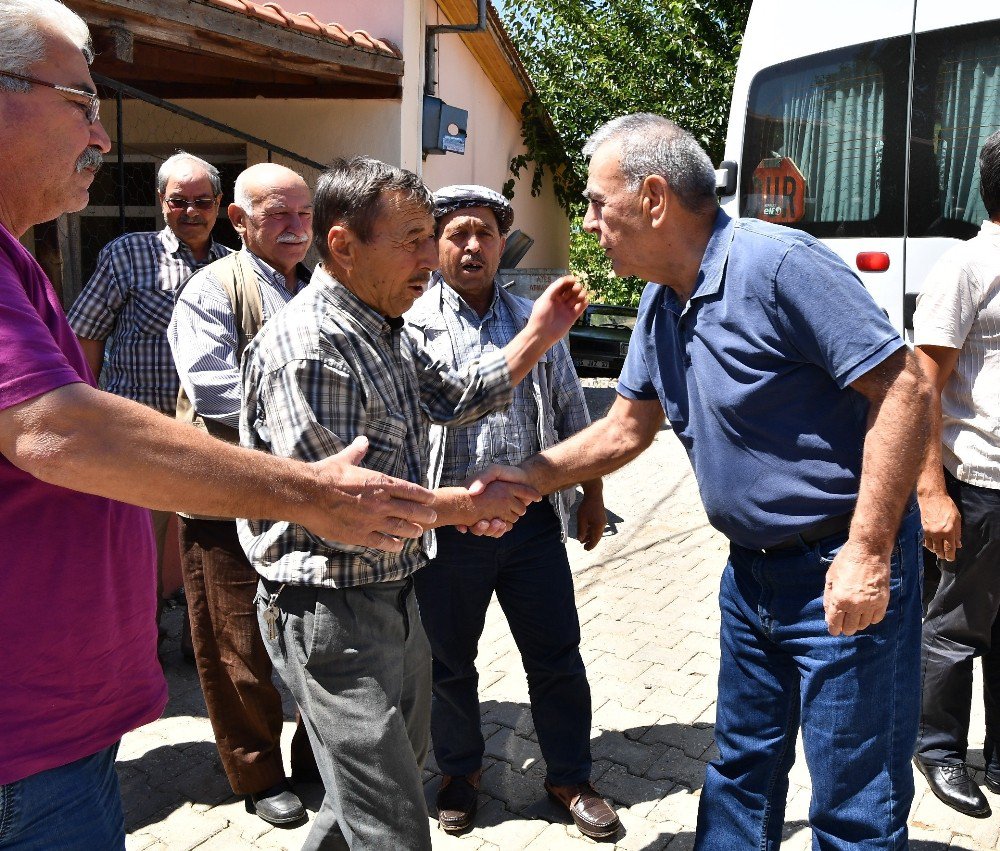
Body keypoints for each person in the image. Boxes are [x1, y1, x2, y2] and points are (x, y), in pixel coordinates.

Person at [0, 5, 436, 848]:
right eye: (81, 103)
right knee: (233, 648)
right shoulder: (175, 278)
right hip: (26, 738)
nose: (98, 132)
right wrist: (307, 488)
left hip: (51, 720)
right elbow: (57, 426)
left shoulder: (19, 256)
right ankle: (256, 772)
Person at [472, 113, 932, 848]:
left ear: (653, 198)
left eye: (596, 202)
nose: (587, 222)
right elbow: (626, 429)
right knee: (740, 770)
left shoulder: (780, 267)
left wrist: (871, 551)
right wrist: (523, 476)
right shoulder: (662, 297)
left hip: (838, 568)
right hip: (750, 580)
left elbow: (906, 388)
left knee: (853, 798)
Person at [238, 156, 589, 850]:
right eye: (414, 239)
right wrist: (465, 507)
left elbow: (455, 395)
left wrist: (538, 335)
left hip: (395, 590)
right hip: (333, 613)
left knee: (356, 800)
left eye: (432, 237)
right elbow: (350, 510)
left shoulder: (381, 321)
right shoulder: (311, 346)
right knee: (394, 823)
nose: (431, 257)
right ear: (343, 244)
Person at [405, 184, 619, 839]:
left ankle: (569, 775)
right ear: (435, 243)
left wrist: (592, 495)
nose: (473, 246)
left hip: (532, 530)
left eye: (486, 234)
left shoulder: (536, 316)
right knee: (449, 664)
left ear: (503, 243)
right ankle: (461, 773)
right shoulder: (411, 323)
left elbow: (571, 413)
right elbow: (409, 432)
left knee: (556, 654)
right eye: (458, 233)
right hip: (449, 534)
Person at [168, 162, 316, 825]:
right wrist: (314, 414)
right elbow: (211, 388)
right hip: (223, 495)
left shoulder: (318, 286)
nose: (294, 228)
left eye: (304, 214)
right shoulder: (212, 289)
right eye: (276, 215)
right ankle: (257, 773)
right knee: (234, 641)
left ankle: (319, 758)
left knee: (317, 634)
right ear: (238, 220)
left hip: (301, 495)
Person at [68, 151, 231, 638]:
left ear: (219, 205)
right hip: (138, 429)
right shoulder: (129, 255)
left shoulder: (232, 267)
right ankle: (140, 639)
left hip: (205, 434)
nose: (191, 211)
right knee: (138, 543)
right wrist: (85, 410)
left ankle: (194, 640)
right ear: (161, 202)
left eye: (202, 201)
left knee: (199, 541)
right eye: (179, 201)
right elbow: (86, 332)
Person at [911, 129, 1000, 818]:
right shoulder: (965, 268)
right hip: (977, 483)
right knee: (955, 624)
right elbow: (923, 390)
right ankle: (938, 748)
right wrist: (932, 491)